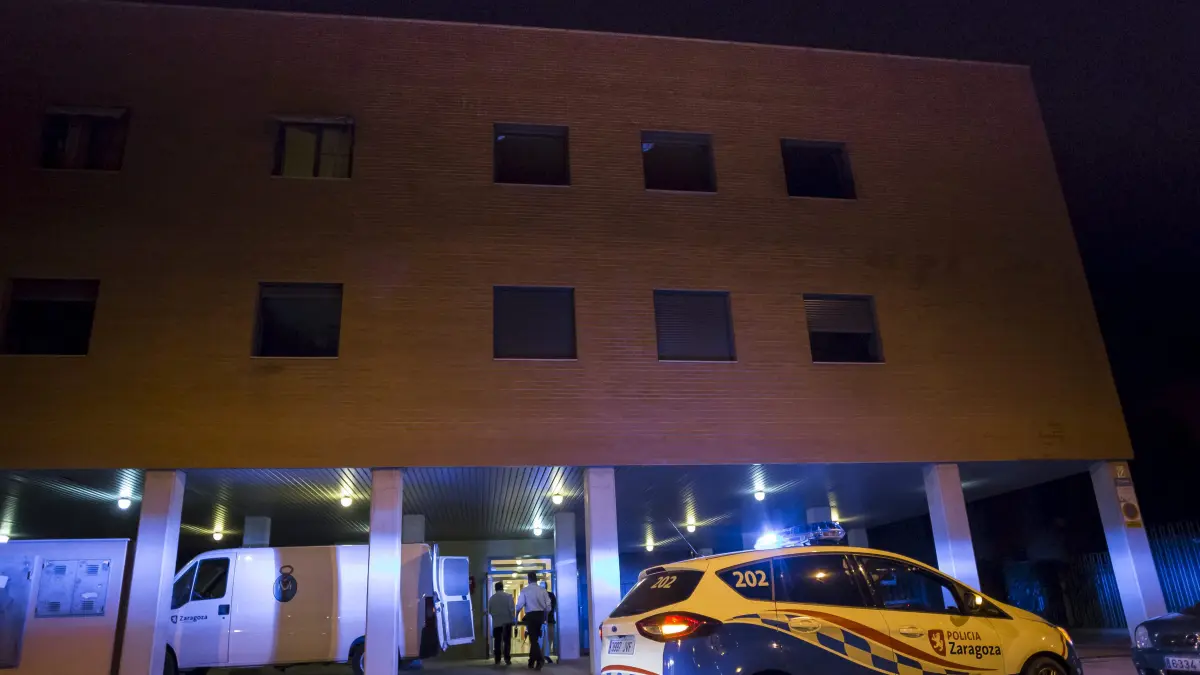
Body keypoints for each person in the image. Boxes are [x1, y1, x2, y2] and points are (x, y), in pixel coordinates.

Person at [514, 572, 553, 670]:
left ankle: (540, 660)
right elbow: (548, 606)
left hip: (531, 616)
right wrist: (545, 617)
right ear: (536, 579)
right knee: (535, 638)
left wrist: (516, 616)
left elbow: (519, 606)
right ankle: (531, 661)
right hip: (540, 615)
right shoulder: (542, 590)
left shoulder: (525, 590)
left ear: (529, 579)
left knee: (533, 639)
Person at [488, 581, 515, 665]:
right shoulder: (508, 596)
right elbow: (512, 609)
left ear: (495, 588)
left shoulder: (492, 598)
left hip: (496, 623)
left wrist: (495, 616)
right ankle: (507, 658)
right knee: (507, 641)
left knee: (497, 641)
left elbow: (489, 610)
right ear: (502, 588)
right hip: (507, 622)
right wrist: (512, 619)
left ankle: (497, 659)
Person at [544, 587, 558, 665]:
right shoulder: (551, 595)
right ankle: (545, 655)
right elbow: (554, 607)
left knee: (545, 639)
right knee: (549, 639)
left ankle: (544, 655)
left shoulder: (549, 595)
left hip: (544, 621)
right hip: (549, 621)